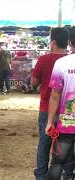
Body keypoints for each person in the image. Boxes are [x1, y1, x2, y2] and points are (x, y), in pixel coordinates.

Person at [31, 27, 71, 180]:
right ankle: (67, 174)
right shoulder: (70, 60)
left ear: (53, 41)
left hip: (47, 108)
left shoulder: (44, 59)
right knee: (65, 144)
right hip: (67, 109)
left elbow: (34, 82)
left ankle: (41, 175)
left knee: (44, 143)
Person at [44, 35, 75, 180]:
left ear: (70, 42)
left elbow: (55, 94)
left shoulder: (61, 63)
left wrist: (50, 121)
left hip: (67, 121)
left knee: (58, 162)